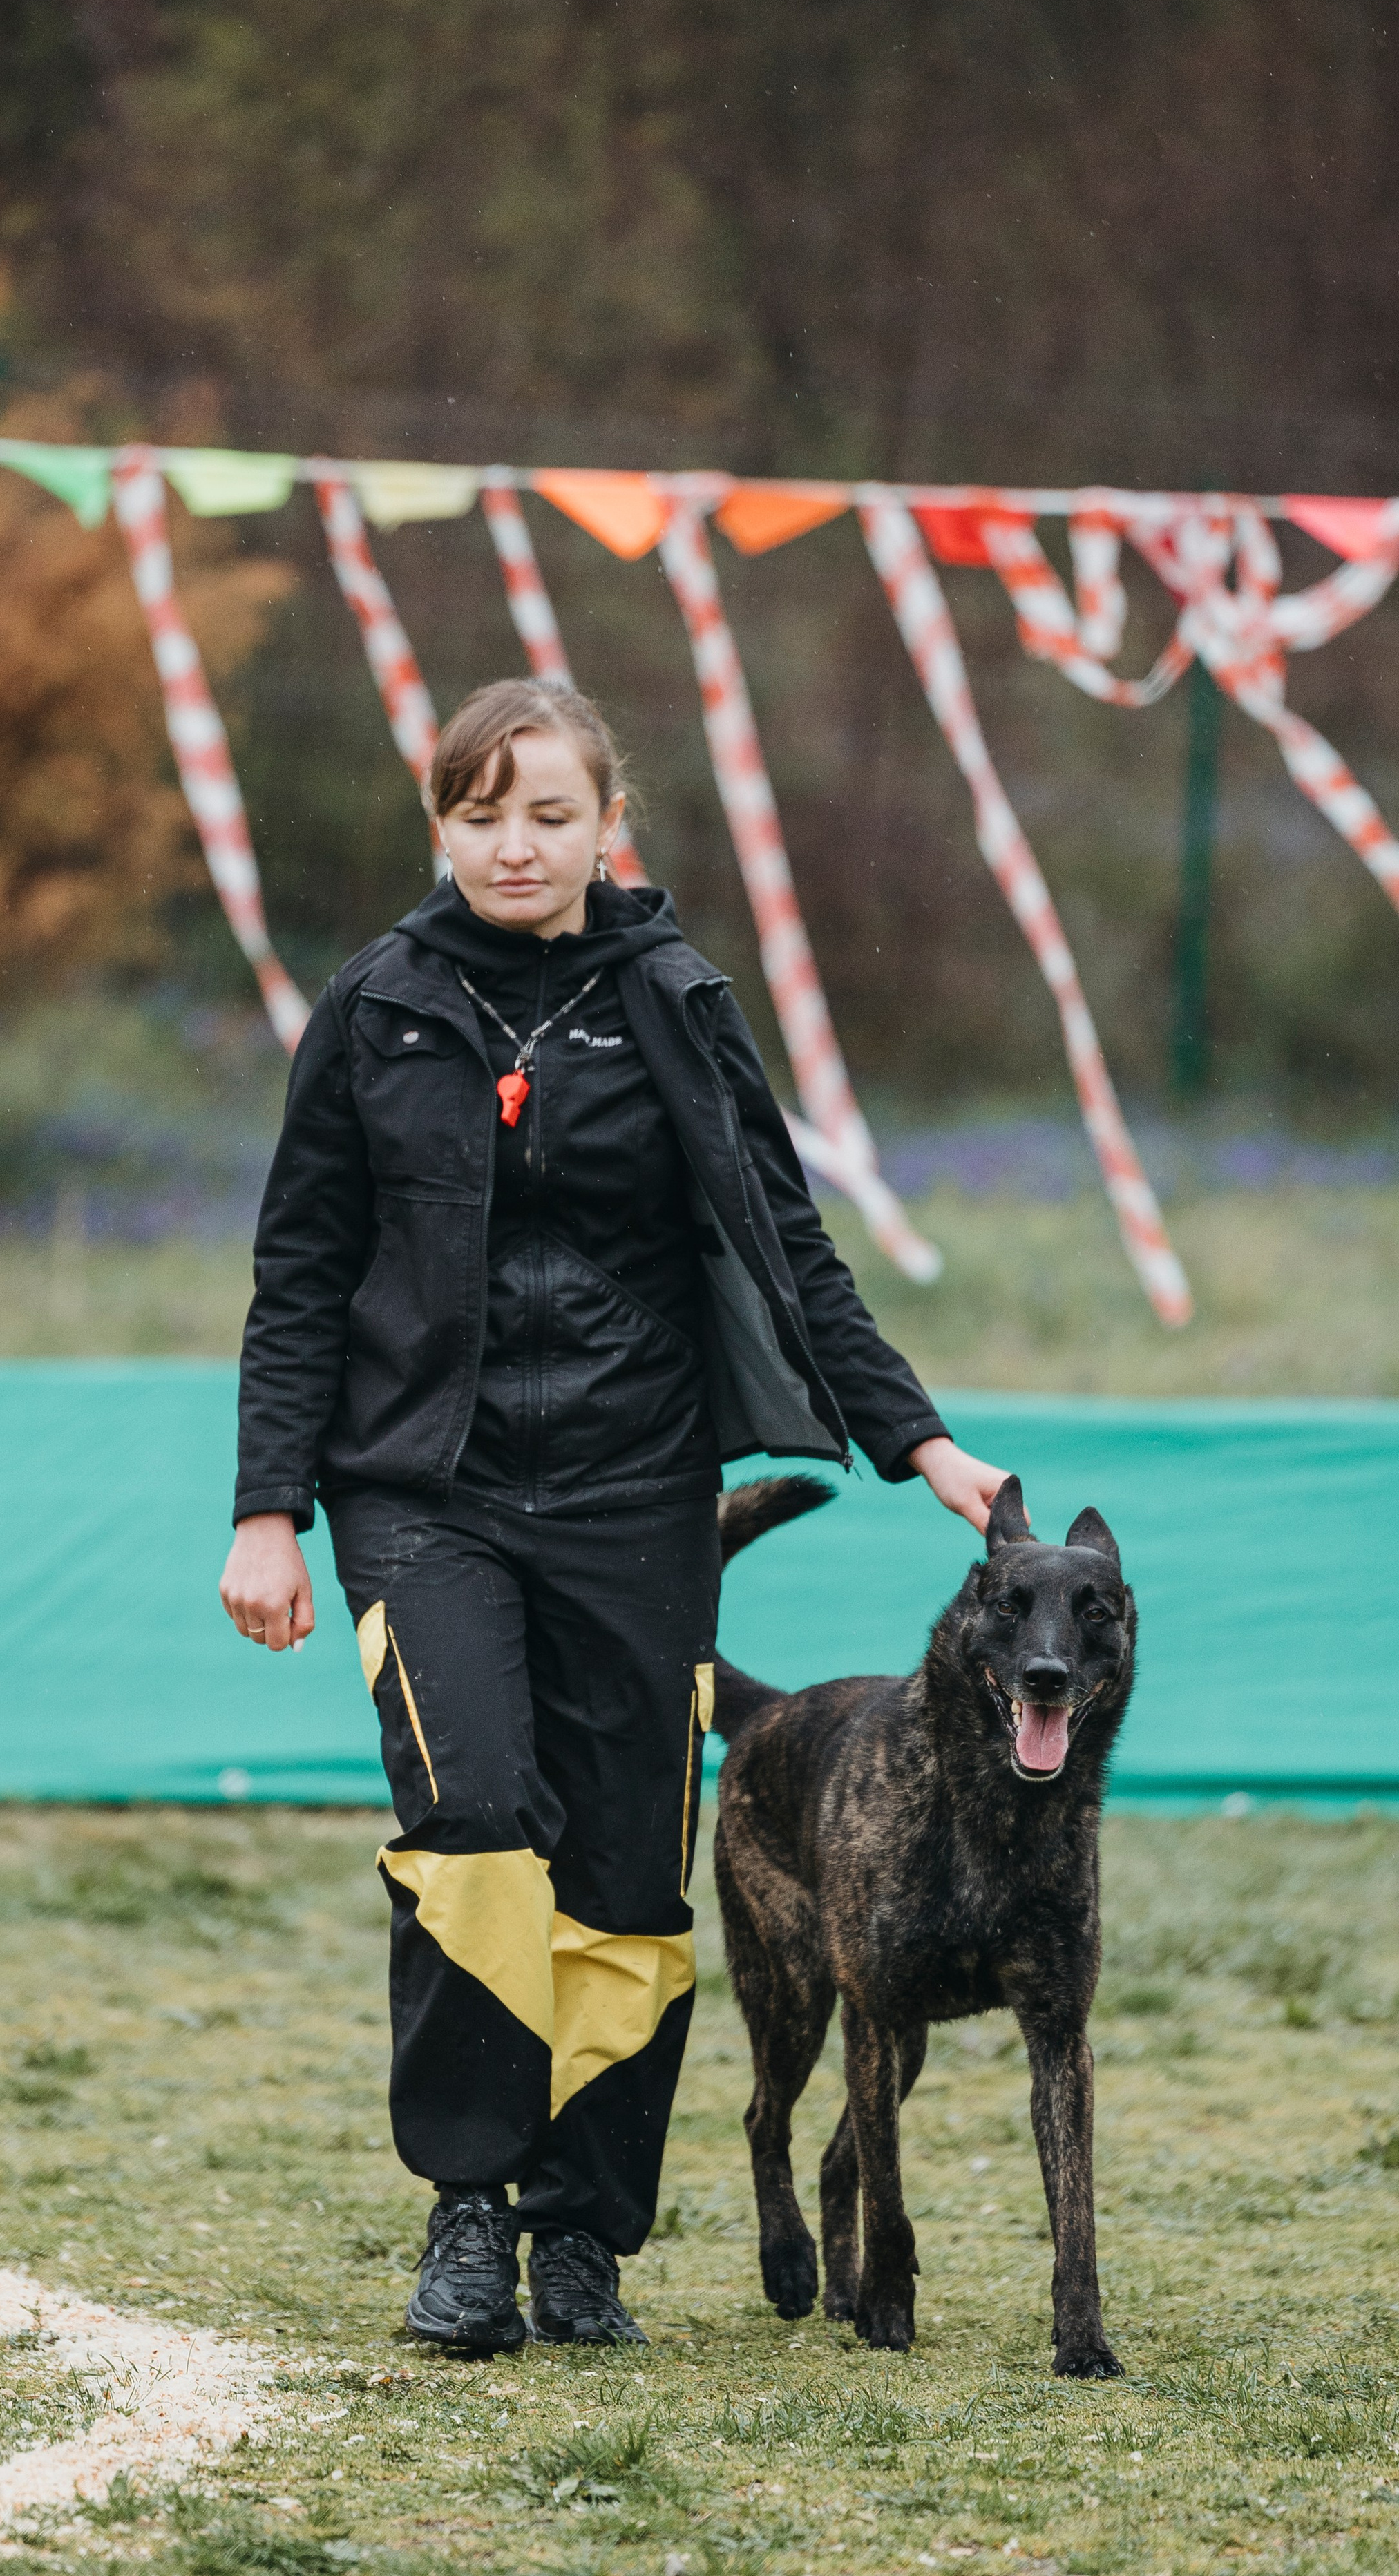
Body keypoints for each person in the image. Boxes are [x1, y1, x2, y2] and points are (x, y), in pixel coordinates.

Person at [218, 677, 1008, 2354]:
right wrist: (263, 1512)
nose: (515, 844)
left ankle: (582, 2236)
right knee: (471, 1826)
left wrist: (922, 1445)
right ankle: (466, 2216)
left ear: (605, 823)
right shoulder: (374, 1007)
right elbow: (299, 1275)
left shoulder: (673, 1000)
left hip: (635, 1493)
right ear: (440, 824)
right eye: (482, 812)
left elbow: (790, 1248)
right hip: (418, 1494)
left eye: (549, 812)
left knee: (622, 1876)